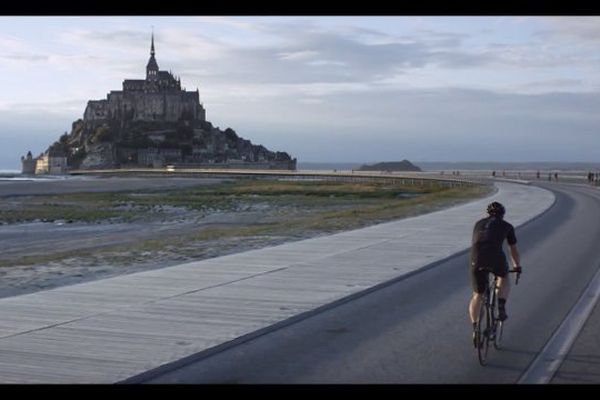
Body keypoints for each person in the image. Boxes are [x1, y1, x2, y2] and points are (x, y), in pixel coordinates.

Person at [468, 202, 521, 346]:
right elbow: (513, 250)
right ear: (502, 215)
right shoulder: (507, 226)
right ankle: (501, 306)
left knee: (477, 295)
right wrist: (517, 266)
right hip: (494, 257)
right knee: (503, 276)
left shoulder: (478, 223)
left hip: (476, 258)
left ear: (487, 214)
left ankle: (475, 328)